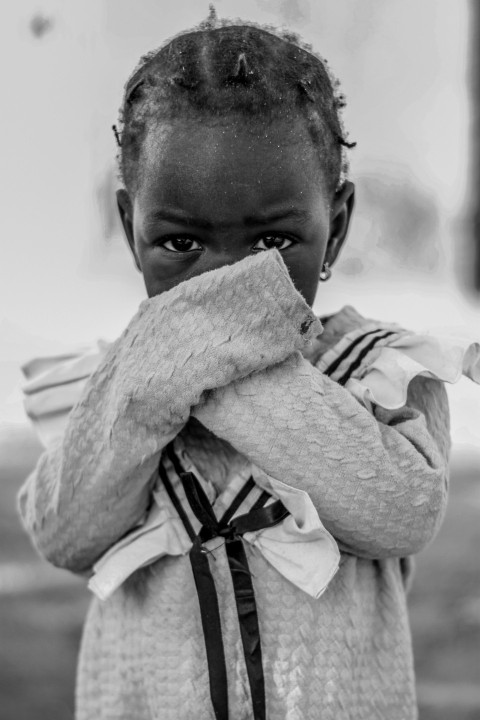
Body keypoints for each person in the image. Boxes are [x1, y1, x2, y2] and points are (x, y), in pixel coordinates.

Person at [17, 10, 480, 720]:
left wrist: (216, 362)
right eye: (180, 244)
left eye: (271, 240)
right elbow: (63, 530)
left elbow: (401, 512)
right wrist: (160, 370)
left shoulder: (376, 370)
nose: (224, 283)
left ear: (338, 226)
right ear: (129, 228)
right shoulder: (123, 380)